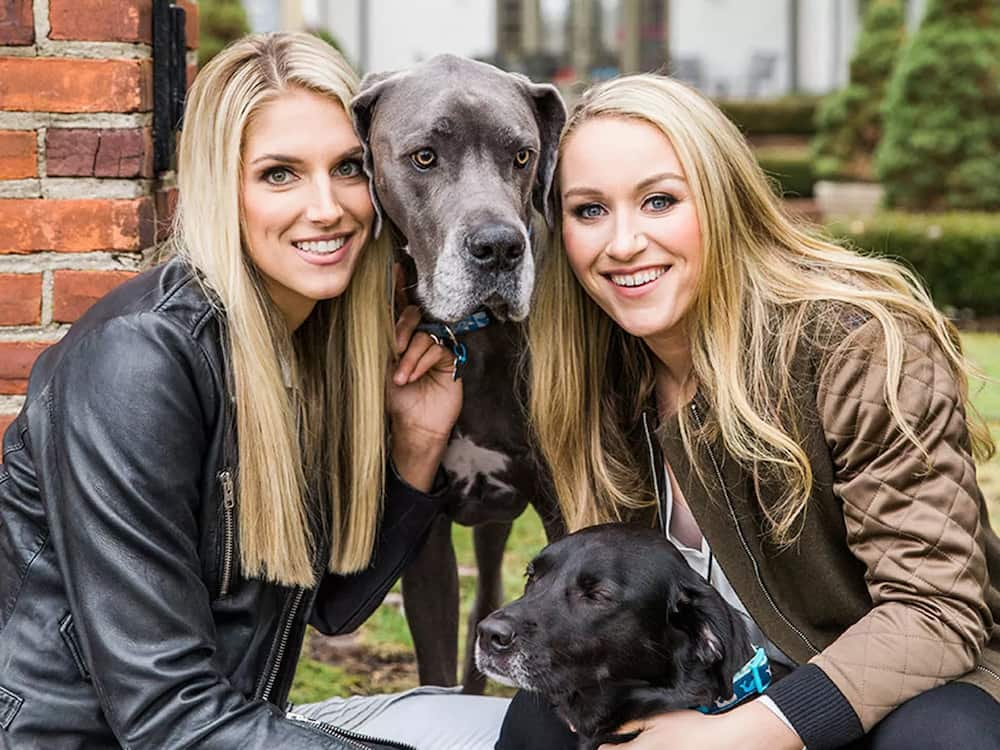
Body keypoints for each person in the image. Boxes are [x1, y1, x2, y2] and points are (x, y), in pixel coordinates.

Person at [0, 33, 508, 749]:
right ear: (221, 186)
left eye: (348, 168)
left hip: (229, 730)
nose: (328, 207)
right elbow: (166, 715)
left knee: (537, 732)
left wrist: (415, 442)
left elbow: (328, 603)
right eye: (280, 174)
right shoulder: (141, 358)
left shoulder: (302, 345)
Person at [497, 74, 1000, 750]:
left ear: (724, 198)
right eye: (589, 210)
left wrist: (744, 732)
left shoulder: (858, 348)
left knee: (944, 737)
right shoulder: (598, 379)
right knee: (540, 720)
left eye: (659, 201)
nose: (622, 244)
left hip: (903, 692)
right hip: (714, 684)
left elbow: (935, 611)